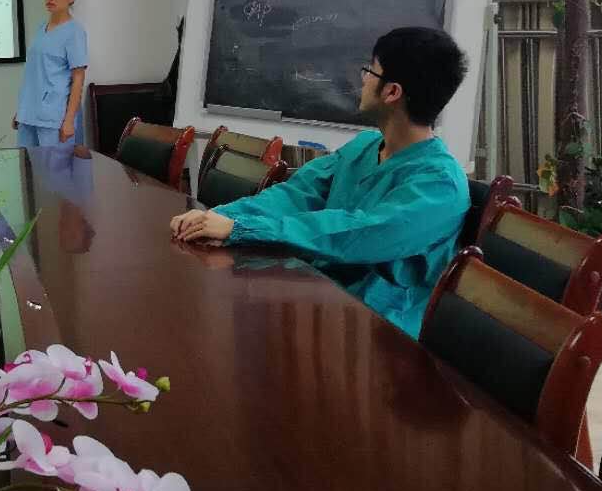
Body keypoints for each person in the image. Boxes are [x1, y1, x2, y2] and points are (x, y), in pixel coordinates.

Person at [171, 26, 471, 339]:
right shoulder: (365, 146)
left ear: (391, 92)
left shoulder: (440, 185)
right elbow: (296, 194)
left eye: (370, 71)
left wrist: (242, 229)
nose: (363, 79)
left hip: (378, 331)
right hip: (317, 297)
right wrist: (221, 217)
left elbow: (356, 234)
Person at [14, 0, 89, 148]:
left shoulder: (74, 32)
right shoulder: (42, 28)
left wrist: (69, 121)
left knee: (54, 165)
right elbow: (34, 74)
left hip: (54, 118)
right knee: (26, 164)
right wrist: (21, 111)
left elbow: (78, 78)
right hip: (29, 114)